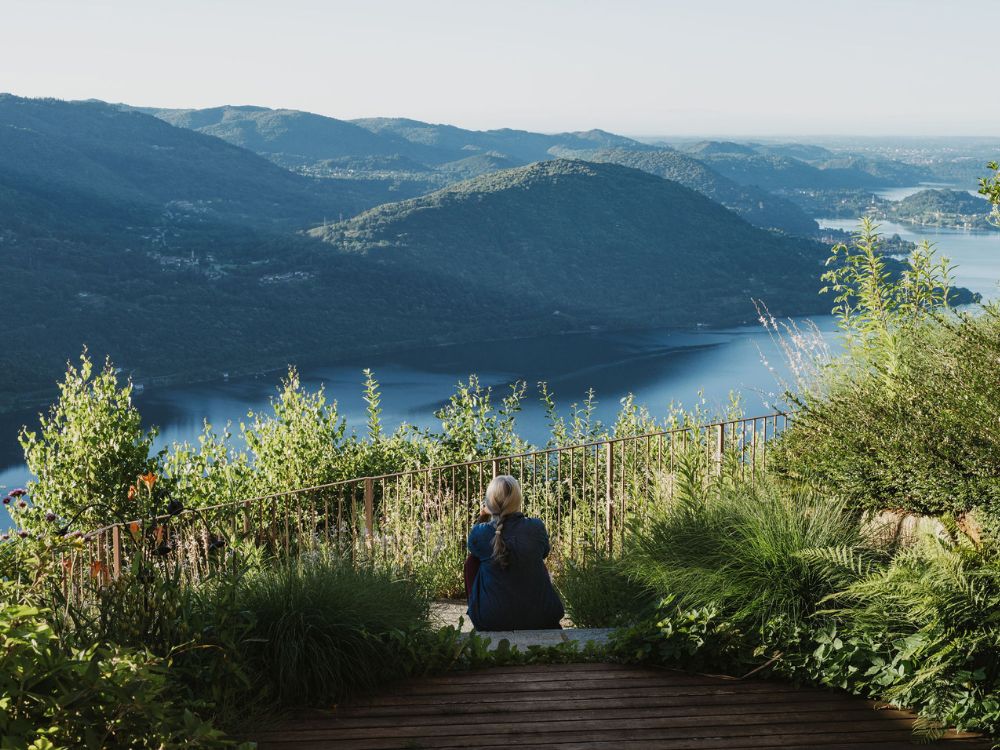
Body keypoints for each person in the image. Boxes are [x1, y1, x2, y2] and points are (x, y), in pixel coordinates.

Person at [465, 475, 564, 631]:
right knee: (535, 558)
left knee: (472, 562)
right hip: (543, 618)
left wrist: (484, 515)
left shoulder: (480, 532)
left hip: (491, 620)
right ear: (517, 501)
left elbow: (474, 547)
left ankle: (480, 607)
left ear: (489, 502)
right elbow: (544, 552)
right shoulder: (536, 527)